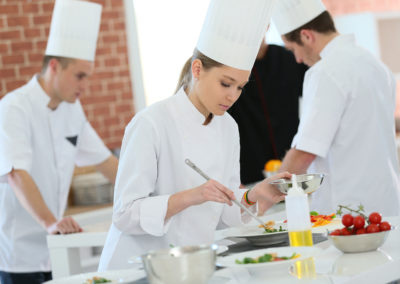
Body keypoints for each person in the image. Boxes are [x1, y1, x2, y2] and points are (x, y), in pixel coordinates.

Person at [98, 0, 289, 271]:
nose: (232, 96)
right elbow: (124, 214)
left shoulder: (228, 128)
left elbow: (226, 215)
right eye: (225, 83)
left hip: (194, 266)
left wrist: (256, 194)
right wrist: (193, 196)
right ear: (197, 70)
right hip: (139, 269)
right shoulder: (151, 123)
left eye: (240, 88)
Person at [0, 0, 118, 283]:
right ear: (54, 66)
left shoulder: (71, 109)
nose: (84, 86)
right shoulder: (14, 108)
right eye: (79, 76)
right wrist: (50, 222)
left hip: (56, 248)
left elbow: (106, 162)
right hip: (17, 254)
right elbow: (16, 173)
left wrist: (152, 195)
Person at [271, 0, 400, 216]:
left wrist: (267, 193)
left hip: (349, 213)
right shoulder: (375, 65)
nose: (298, 59)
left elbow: (305, 152)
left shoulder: (324, 72)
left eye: (293, 49)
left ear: (307, 36)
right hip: (388, 204)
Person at [228, 37, 307, 185]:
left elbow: (316, 97)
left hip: (292, 158)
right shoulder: (230, 68)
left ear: (267, 26)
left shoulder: (290, 57)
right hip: (249, 165)